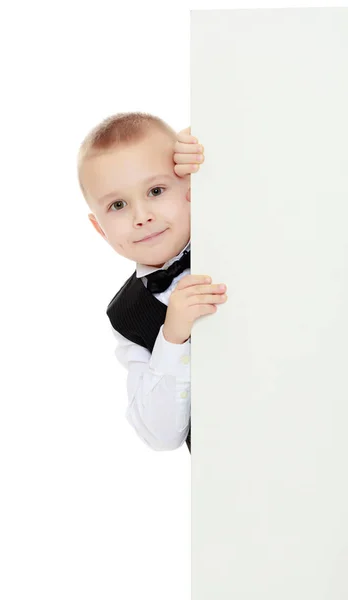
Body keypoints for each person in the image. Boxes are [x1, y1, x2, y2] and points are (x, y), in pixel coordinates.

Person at [76, 112, 228, 453]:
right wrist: (172, 337)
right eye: (117, 205)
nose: (141, 216)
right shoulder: (125, 316)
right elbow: (160, 436)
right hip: (231, 479)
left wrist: (214, 144)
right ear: (99, 228)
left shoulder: (228, 222)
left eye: (156, 190)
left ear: (189, 186)